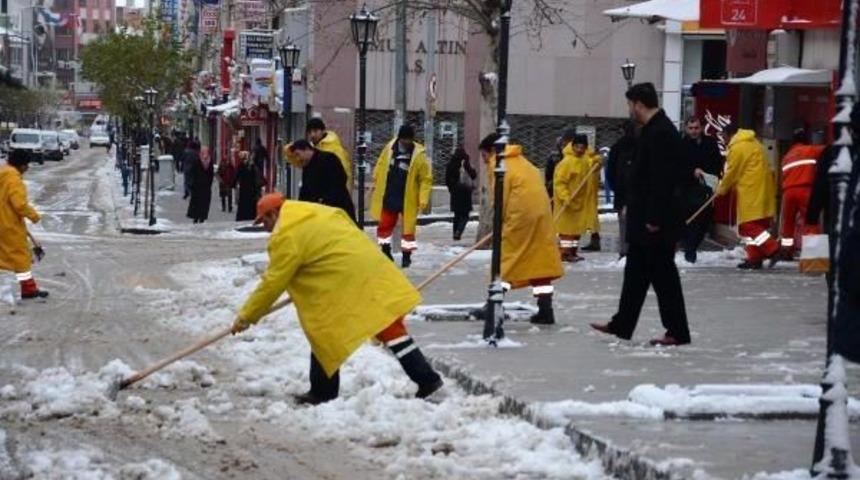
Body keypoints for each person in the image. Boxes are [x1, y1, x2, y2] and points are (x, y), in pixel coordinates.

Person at [231, 193, 443, 405]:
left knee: (323, 328)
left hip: (347, 278)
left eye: (264, 222)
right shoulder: (313, 211)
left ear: (273, 213)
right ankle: (426, 378)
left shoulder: (286, 234)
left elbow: (273, 282)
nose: (265, 228)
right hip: (366, 266)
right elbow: (340, 226)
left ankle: (324, 391)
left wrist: (247, 316)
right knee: (386, 325)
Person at [590, 82, 690, 346]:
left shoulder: (660, 133)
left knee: (664, 278)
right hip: (644, 220)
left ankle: (677, 331)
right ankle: (622, 323)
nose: (629, 110)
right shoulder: (652, 130)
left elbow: (662, 180)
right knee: (635, 275)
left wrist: (654, 218)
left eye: (630, 105)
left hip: (654, 222)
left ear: (638, 104)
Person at [473, 134, 564, 325]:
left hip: (520, 218)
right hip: (542, 217)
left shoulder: (499, 165)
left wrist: (501, 223)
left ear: (491, 151)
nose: (483, 160)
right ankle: (545, 310)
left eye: (483, 155)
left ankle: (493, 305)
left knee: (506, 259)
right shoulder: (523, 162)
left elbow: (501, 198)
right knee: (540, 263)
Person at [715, 123, 780, 269]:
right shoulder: (754, 143)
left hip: (751, 189)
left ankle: (773, 248)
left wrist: (721, 189)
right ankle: (755, 257)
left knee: (747, 225)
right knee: (758, 224)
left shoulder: (737, 148)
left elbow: (732, 172)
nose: (723, 140)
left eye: (723, 136)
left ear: (729, 134)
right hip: (763, 188)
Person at [370, 124, 432, 268]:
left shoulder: (418, 155)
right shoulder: (390, 148)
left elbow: (426, 179)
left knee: (408, 230)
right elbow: (381, 163)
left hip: (408, 197)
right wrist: (376, 175)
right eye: (403, 139)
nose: (406, 142)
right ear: (399, 138)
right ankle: (385, 250)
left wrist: (423, 199)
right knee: (384, 226)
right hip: (390, 193)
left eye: (408, 139)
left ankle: (406, 256)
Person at [0, 150, 48, 299]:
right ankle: (28, 289)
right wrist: (34, 216)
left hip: (4, 220)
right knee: (20, 257)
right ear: (21, 165)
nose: (27, 168)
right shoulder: (13, 179)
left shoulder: (3, 173)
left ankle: (28, 287)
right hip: (8, 225)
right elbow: (19, 205)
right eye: (26, 164)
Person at [680, 117, 724, 263]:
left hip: (706, 187)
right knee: (689, 219)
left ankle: (691, 246)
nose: (694, 131)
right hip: (687, 188)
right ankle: (689, 249)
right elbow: (675, 166)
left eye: (696, 128)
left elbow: (718, 163)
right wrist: (691, 171)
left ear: (701, 128)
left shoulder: (710, 143)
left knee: (704, 219)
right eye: (691, 128)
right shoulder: (681, 144)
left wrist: (711, 176)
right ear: (686, 129)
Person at [777, 128, 824, 259]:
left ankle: (786, 251)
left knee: (788, 222)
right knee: (810, 220)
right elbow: (827, 151)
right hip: (805, 190)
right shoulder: (810, 150)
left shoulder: (787, 156)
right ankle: (813, 253)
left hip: (788, 192)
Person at [288, 139, 356, 222]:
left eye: (298, 154)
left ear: (307, 149)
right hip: (320, 214)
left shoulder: (328, 158)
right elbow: (305, 190)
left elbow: (339, 181)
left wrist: (324, 200)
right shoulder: (307, 167)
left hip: (338, 211)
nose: (297, 159)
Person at [553, 134, 594, 263]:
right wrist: (565, 196)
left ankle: (573, 252)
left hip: (578, 202)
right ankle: (564, 253)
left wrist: (597, 162)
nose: (580, 149)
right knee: (567, 232)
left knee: (576, 230)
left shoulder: (584, 160)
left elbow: (591, 167)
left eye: (582, 147)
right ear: (573, 146)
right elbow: (559, 182)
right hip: (567, 202)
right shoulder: (567, 162)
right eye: (577, 146)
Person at [605, 121, 637, 259]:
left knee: (624, 223)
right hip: (637, 192)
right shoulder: (642, 146)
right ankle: (633, 251)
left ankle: (625, 251)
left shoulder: (616, 148)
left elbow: (610, 173)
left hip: (622, 192)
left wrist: (616, 188)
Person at [304, 117, 352, 192]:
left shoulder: (334, 149)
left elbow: (342, 175)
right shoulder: (315, 148)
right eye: (309, 132)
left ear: (323, 131)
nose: (312, 135)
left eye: (315, 131)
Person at [444, 146, 476, 240]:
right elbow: (473, 175)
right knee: (465, 215)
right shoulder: (465, 162)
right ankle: (459, 231)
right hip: (465, 191)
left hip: (455, 191)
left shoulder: (450, 164)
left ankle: (455, 233)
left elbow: (446, 180)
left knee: (457, 214)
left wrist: (451, 189)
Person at [580, 139, 603, 252]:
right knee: (590, 219)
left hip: (588, 193)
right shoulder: (590, 159)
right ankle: (594, 241)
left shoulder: (589, 159)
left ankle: (594, 241)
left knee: (590, 219)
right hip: (586, 192)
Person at [186, 143, 214, 224]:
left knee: (196, 202)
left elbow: (192, 172)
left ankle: (195, 217)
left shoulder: (197, 159)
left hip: (197, 185)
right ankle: (202, 217)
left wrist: (191, 182)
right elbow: (211, 174)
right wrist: (209, 183)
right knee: (204, 202)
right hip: (205, 186)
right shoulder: (209, 160)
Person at [235, 151, 262, 222]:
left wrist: (233, 184)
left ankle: (243, 217)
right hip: (251, 190)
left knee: (243, 205)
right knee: (251, 204)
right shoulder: (252, 166)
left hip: (244, 189)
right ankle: (251, 216)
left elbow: (236, 177)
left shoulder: (241, 166)